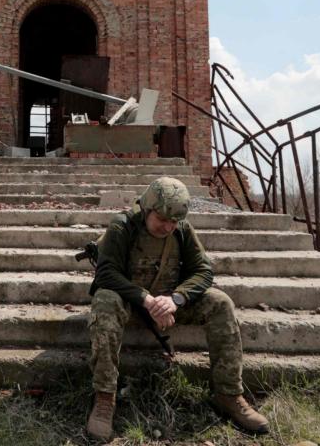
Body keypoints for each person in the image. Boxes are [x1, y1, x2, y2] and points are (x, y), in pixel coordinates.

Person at [86, 177, 269, 440]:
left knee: (221, 302)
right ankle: (104, 397)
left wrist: (176, 299)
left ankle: (228, 395)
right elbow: (106, 274)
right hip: (129, 303)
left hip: (169, 303)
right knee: (104, 300)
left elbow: (203, 271)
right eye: (162, 219)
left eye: (174, 221)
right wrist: (148, 300)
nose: (168, 226)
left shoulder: (182, 229)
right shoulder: (122, 226)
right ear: (148, 209)